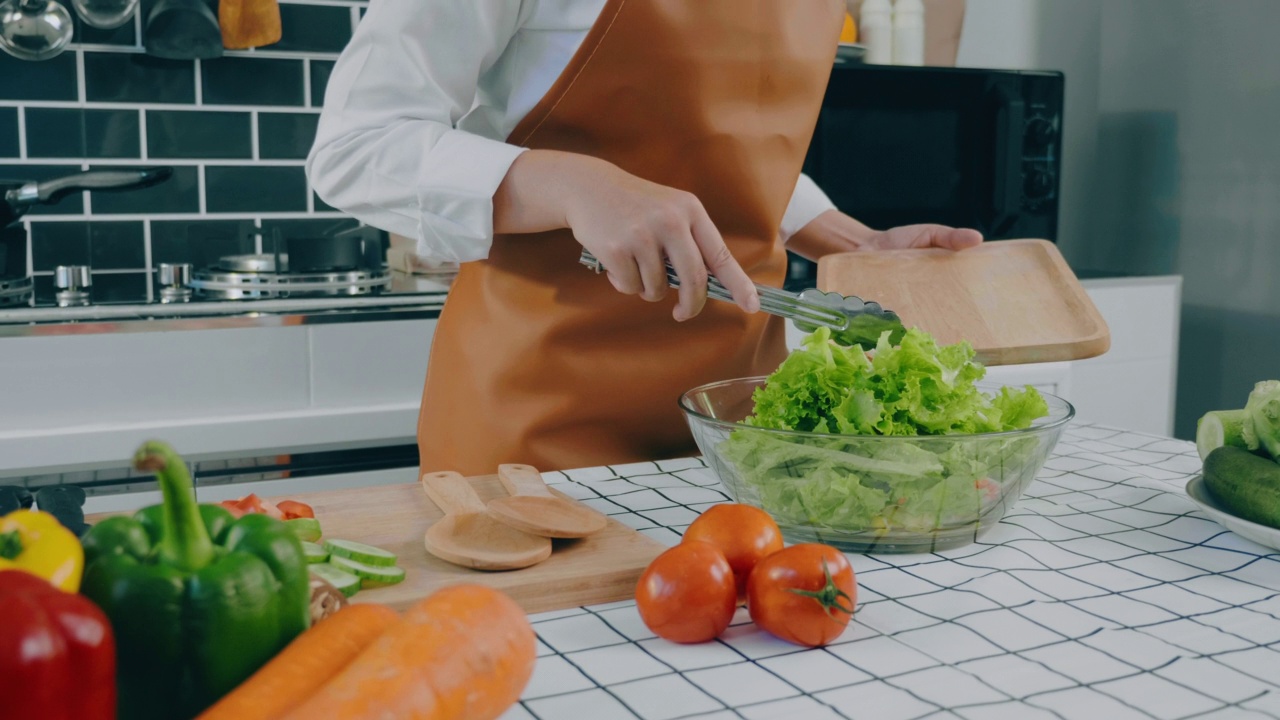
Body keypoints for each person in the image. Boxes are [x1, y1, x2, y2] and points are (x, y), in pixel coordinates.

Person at [308, 0, 983, 477]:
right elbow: (354, 148)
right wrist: (573, 184)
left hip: (738, 425)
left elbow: (722, 137)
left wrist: (852, 243)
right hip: (535, 423)